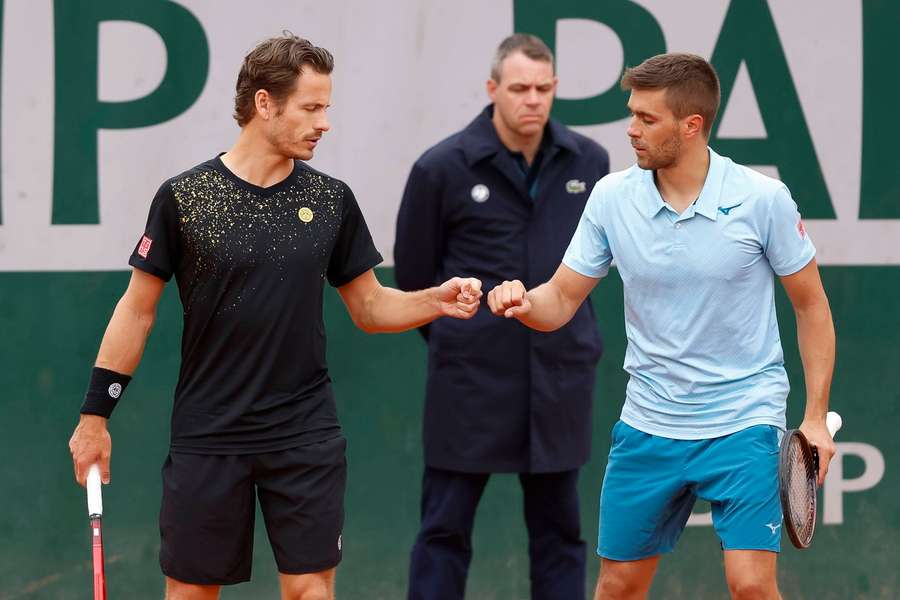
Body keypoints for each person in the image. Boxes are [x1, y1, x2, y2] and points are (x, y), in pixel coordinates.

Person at [67, 34, 482, 600]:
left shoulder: (332, 199)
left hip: (304, 431)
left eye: (326, 109)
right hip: (209, 432)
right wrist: (95, 418)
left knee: (310, 588)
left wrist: (435, 298)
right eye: (311, 108)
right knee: (191, 592)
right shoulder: (184, 198)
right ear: (265, 104)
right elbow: (136, 313)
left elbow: (369, 305)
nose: (324, 123)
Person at [486, 53, 836, 600]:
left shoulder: (763, 200)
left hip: (745, 419)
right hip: (649, 421)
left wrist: (814, 418)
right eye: (631, 114)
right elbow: (558, 300)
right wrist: (519, 301)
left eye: (647, 119)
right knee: (618, 586)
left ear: (691, 126)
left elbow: (812, 306)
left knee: (750, 586)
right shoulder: (610, 198)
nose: (631, 130)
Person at [394, 34, 609, 600]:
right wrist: (460, 340)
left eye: (543, 88)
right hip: (469, 386)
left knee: (562, 535)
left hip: (561, 380)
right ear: (493, 91)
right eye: (519, 88)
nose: (532, 100)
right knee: (443, 531)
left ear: (556, 89)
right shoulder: (440, 167)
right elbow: (417, 285)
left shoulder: (591, 162)